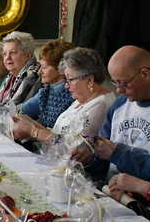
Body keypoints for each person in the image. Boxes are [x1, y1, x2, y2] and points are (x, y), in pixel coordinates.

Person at [72, 46, 150, 181]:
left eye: (124, 83)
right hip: (111, 189)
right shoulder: (119, 105)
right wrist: (89, 157)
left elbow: (114, 153)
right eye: (115, 83)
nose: (119, 90)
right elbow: (103, 158)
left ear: (145, 74)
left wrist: (117, 154)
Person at [14, 47, 115, 146]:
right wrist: (30, 123)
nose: (66, 85)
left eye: (70, 79)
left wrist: (33, 131)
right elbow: (58, 135)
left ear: (89, 80)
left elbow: (73, 148)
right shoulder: (81, 99)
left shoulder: (101, 104)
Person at [0, 31, 41, 116]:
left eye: (13, 53)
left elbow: (13, 109)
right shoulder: (11, 75)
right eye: (4, 54)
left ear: (28, 55)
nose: (7, 58)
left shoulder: (32, 74)